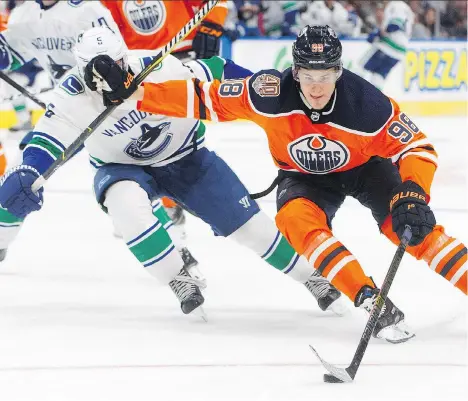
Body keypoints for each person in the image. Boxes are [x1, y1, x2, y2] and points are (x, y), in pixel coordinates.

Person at [95, 24, 468, 343]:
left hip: (366, 169)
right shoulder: (267, 91)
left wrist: (413, 192)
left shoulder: (368, 104)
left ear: (339, 71)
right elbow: (203, 98)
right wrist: (137, 92)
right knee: (294, 222)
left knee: (413, 229)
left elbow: (417, 147)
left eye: (325, 77)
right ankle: (370, 298)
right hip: (304, 177)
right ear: (295, 70)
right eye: (308, 76)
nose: (316, 87)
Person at [0, 27, 348, 319]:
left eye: (116, 66)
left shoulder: (157, 66)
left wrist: (278, 95)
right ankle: (177, 277)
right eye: (93, 72)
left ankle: (311, 276)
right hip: (122, 168)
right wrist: (29, 169)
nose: (104, 78)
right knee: (124, 206)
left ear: (125, 58)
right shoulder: (71, 97)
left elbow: (217, 69)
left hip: (187, 158)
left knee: (249, 227)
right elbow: (47, 139)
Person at [101, 0, 228, 61]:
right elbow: (110, 26)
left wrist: (210, 27)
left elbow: (214, 2)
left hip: (187, 56)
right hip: (144, 65)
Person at [354, 1, 414, 90]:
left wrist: (378, 33)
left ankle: (350, 95)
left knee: (360, 67)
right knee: (378, 76)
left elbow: (395, 24)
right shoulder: (408, 9)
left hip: (387, 46)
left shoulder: (396, 5)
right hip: (398, 53)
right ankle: (374, 101)